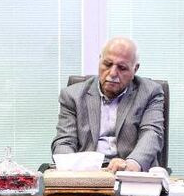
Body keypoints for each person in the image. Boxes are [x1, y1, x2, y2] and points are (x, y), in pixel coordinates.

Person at [51, 37, 165, 172]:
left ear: (135, 69)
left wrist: (132, 163)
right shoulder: (72, 96)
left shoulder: (150, 92)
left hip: (129, 171)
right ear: (100, 60)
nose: (112, 73)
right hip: (87, 173)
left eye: (122, 68)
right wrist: (71, 168)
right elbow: (64, 141)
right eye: (107, 64)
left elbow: (151, 133)